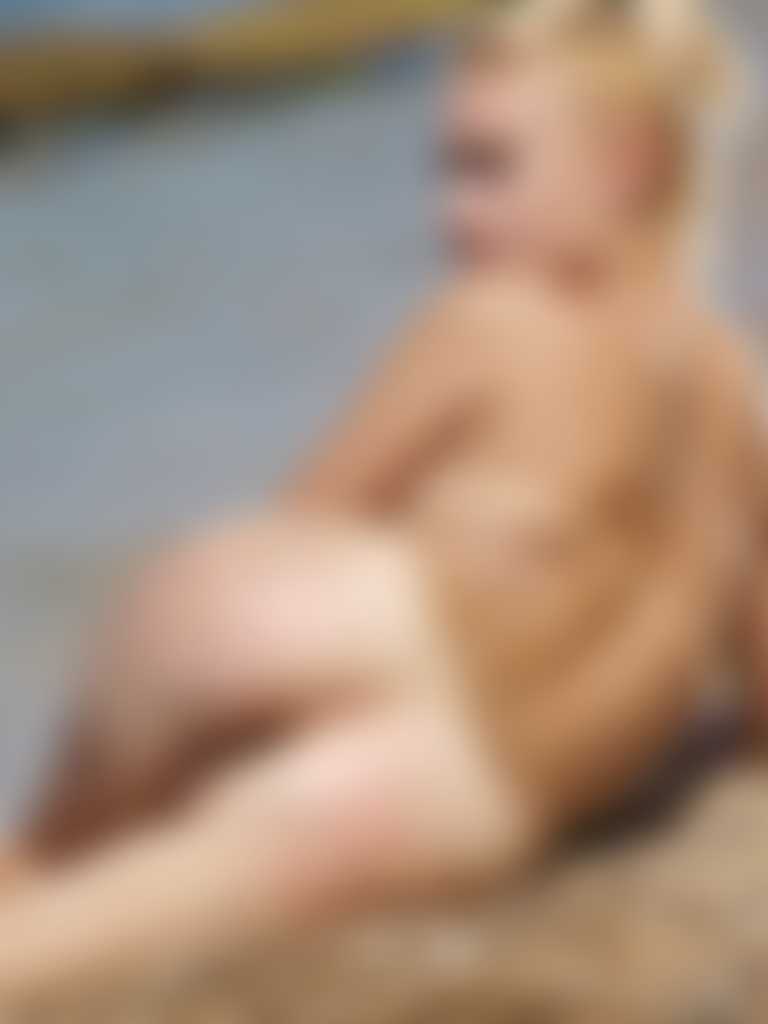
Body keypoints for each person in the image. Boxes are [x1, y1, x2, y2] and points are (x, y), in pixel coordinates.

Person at [1, 0, 763, 1006]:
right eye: (449, 171)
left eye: (489, 167)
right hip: (457, 789)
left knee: (50, 877)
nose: (452, 215)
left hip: (368, 684)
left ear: (627, 163)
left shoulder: (499, 323)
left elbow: (307, 517)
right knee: (55, 924)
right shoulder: (736, 396)